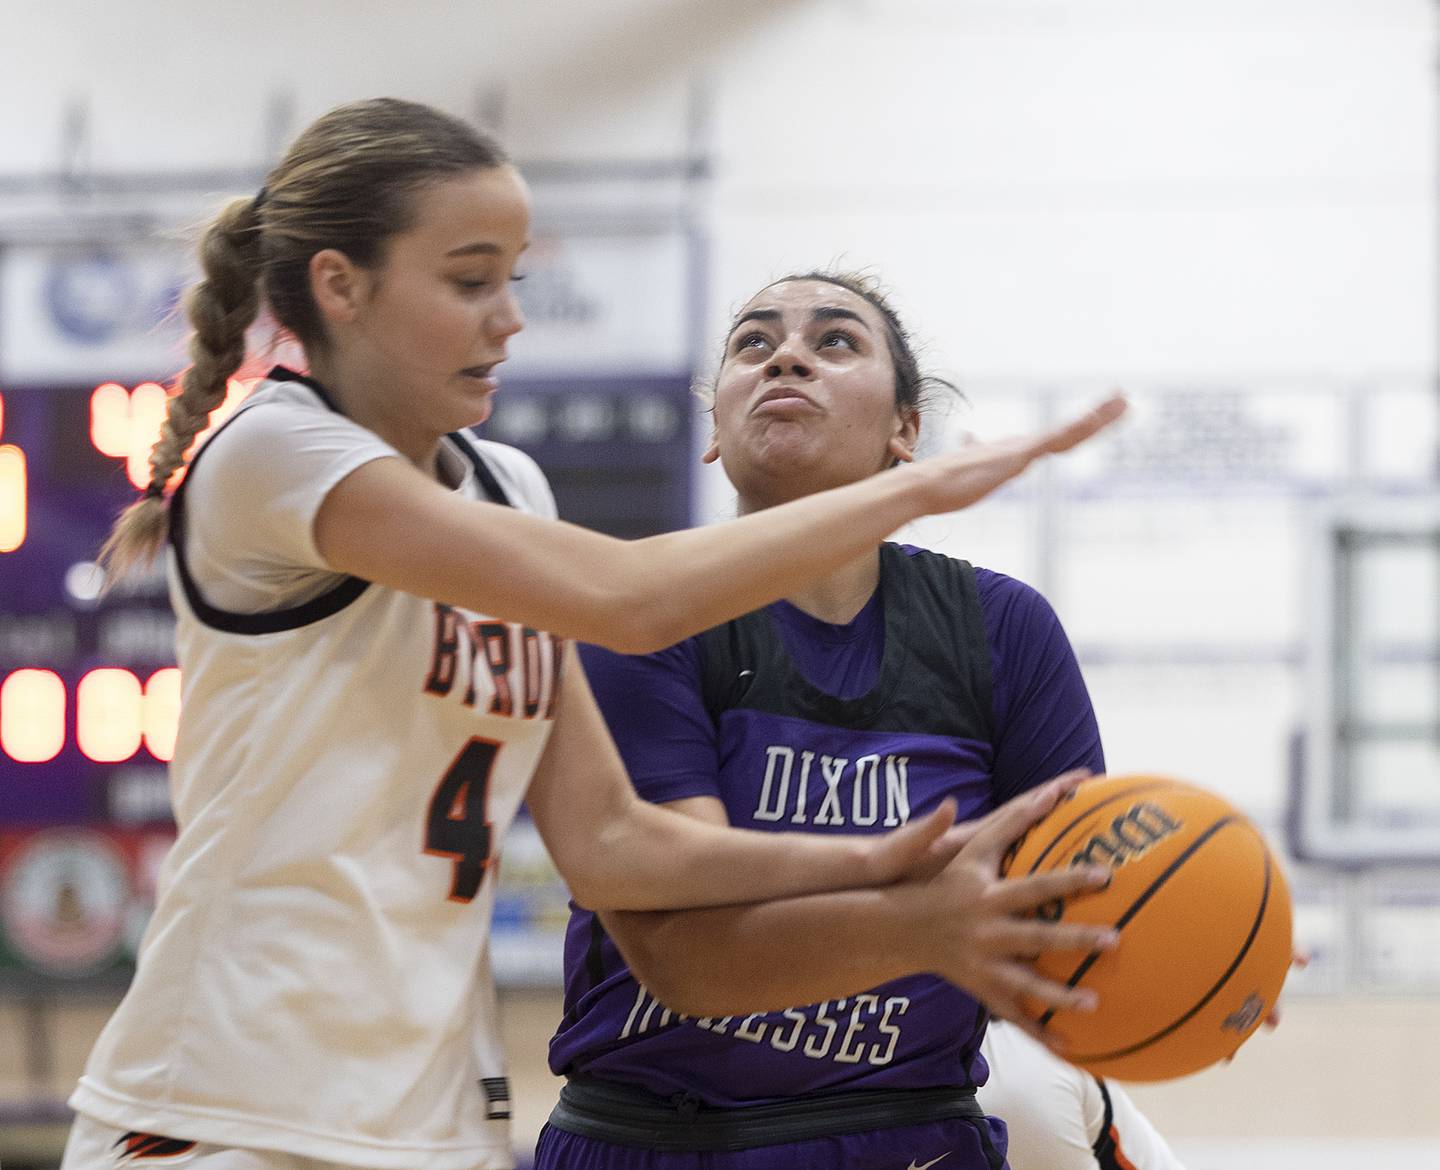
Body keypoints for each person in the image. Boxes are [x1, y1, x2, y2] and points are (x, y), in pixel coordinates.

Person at [60, 102, 1125, 1170]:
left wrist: (872, 863)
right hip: (232, 1100)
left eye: (514, 280)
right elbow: (627, 595)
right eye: (471, 280)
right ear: (342, 286)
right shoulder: (271, 451)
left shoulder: (509, 487)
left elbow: (616, 840)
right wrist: (919, 489)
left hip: (428, 1113)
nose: (508, 320)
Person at [538, 271, 1184, 1170]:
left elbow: (1063, 911)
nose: (786, 355)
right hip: (670, 1138)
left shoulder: (1002, 628)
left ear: (904, 432)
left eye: (835, 341)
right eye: (752, 344)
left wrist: (1210, 942)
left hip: (918, 1132)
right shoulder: (638, 610)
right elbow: (691, 962)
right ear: (715, 430)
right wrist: (920, 917)